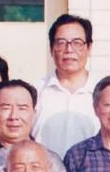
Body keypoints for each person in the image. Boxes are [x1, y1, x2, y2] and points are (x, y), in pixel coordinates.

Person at [33, 13, 101, 157]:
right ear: (51, 49)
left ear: (89, 48)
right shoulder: (35, 92)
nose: (69, 50)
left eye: (77, 43)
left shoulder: (104, 93)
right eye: (61, 43)